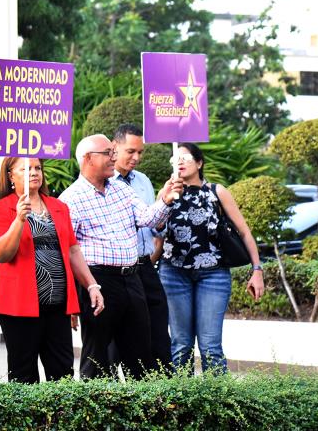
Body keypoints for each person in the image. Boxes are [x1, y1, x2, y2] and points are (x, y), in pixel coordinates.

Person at [59, 135, 182, 380]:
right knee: (99, 355)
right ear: (87, 159)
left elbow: (147, 218)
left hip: (132, 276)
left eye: (113, 152)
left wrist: (165, 200)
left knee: (140, 353)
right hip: (98, 281)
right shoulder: (71, 199)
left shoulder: (120, 188)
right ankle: (94, 411)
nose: (113, 157)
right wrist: (72, 299)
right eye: (107, 153)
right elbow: (67, 252)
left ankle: (141, 412)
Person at [0, 156, 105, 383]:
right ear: (11, 176)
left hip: (58, 306)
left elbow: (72, 251)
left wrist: (91, 284)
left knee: (62, 373)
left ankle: (58, 420)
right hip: (19, 308)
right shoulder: (0, 209)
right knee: (23, 377)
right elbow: (2, 253)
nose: (34, 172)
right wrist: (19, 220)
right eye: (26, 168)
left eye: (37, 168)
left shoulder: (58, 207)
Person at [159, 142, 265, 373]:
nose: (179, 162)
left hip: (213, 275)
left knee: (210, 346)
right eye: (175, 159)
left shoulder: (217, 192)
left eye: (185, 158)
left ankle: (216, 405)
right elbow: (156, 232)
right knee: (181, 345)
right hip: (173, 273)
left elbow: (245, 232)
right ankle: (179, 404)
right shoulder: (167, 192)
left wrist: (257, 270)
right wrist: (166, 198)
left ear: (199, 163)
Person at [109, 124, 172, 372]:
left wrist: (165, 206)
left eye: (140, 152)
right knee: (116, 342)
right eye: (130, 151)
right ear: (114, 148)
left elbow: (153, 225)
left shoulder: (143, 181)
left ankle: (164, 393)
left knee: (157, 334)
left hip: (145, 265)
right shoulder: (103, 183)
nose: (136, 158)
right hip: (116, 270)